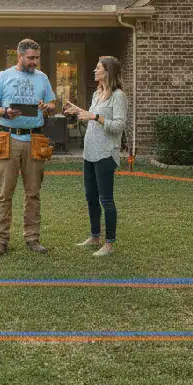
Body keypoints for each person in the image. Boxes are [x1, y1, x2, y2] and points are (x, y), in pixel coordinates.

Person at [0, 39, 57, 256]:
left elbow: (53, 105)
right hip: (8, 139)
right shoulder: (3, 76)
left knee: (33, 193)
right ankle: (0, 241)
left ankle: (33, 238)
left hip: (35, 140)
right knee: (4, 194)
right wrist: (5, 112)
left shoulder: (42, 78)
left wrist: (48, 107)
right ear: (20, 56)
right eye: (31, 58)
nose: (35, 62)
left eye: (37, 58)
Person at [64, 56, 127, 257]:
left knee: (106, 200)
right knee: (91, 197)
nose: (94, 70)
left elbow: (118, 126)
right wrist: (80, 111)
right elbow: (94, 118)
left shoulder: (118, 96)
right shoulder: (96, 94)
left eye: (98, 68)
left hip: (106, 153)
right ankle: (95, 236)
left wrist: (93, 116)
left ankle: (109, 244)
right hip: (89, 153)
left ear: (108, 72)